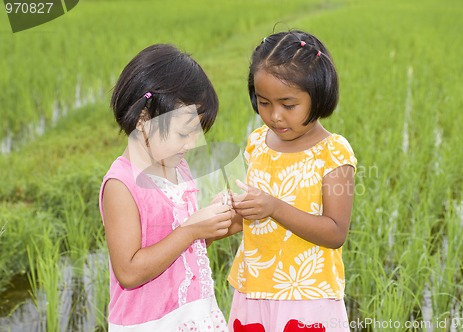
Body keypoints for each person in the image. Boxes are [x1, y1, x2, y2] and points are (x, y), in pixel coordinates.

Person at [99, 44, 239, 331]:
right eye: (183, 133)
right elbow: (129, 271)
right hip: (152, 323)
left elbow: (180, 249)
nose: (192, 144)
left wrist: (215, 223)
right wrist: (191, 230)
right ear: (143, 119)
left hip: (194, 314)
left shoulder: (178, 167)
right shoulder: (121, 185)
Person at [227, 30, 357, 332]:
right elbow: (254, 211)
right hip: (253, 288)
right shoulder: (257, 141)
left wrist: (273, 207)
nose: (274, 116)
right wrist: (231, 211)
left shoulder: (334, 153)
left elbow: (336, 232)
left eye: (288, 105)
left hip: (307, 295)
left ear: (319, 94)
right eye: (263, 103)